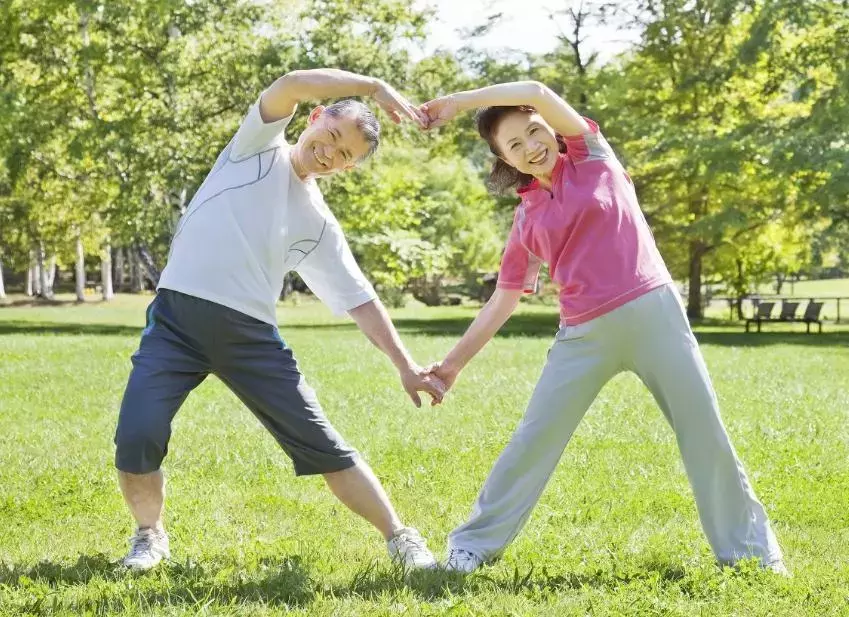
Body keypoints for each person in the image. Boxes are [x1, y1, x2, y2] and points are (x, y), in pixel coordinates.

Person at [419, 81, 787, 574]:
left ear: (550, 126)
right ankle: (472, 546)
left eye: (534, 131)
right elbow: (502, 300)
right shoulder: (527, 219)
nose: (531, 146)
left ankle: (752, 554)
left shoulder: (593, 156)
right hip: (583, 337)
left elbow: (534, 88)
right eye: (515, 145)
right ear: (505, 160)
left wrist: (458, 103)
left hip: (655, 315)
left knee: (705, 434)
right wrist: (451, 366)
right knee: (534, 439)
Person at [114, 68, 444, 571]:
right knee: (137, 434)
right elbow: (290, 81)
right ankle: (149, 535)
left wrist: (404, 364)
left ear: (349, 168)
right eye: (330, 135)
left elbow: (360, 297)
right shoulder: (255, 148)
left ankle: (401, 538)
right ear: (314, 118)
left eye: (344, 154)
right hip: (176, 322)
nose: (330, 152)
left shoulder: (317, 221)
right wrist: (374, 88)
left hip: (250, 339)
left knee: (323, 441)